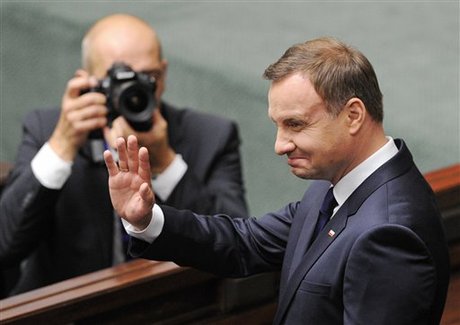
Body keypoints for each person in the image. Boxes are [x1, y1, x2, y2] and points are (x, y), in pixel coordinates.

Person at [104, 37, 450, 324]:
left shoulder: (389, 235)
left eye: (295, 125)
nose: (279, 146)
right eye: (277, 125)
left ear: (353, 115)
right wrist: (146, 220)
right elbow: (245, 243)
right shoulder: (336, 187)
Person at [0, 14, 248, 296]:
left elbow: (235, 249)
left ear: (163, 74)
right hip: (68, 309)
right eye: (118, 79)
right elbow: (5, 244)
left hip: (173, 306)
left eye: (148, 77)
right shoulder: (47, 128)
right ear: (88, 81)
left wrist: (165, 162)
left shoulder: (210, 135)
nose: (135, 91)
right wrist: (62, 144)